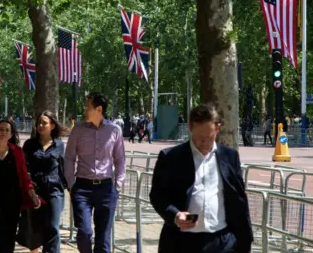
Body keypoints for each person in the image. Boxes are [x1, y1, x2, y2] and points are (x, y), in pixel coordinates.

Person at [149, 103, 253, 253]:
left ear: (217, 128)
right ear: (190, 128)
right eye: (198, 137)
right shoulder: (170, 157)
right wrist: (175, 215)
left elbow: (239, 199)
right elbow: (157, 196)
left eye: (208, 137)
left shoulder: (230, 157)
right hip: (183, 242)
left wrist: (243, 239)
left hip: (223, 241)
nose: (203, 142)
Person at [64, 92, 126, 253]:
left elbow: (120, 159)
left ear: (99, 109)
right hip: (82, 188)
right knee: (85, 232)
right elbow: (69, 157)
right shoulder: (78, 130)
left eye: (88, 107)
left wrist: (117, 185)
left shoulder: (114, 130)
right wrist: (71, 185)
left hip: (106, 189)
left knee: (103, 239)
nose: (84, 110)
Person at [0, 119, 41, 253]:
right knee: (0, 236)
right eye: (0, 129)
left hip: (12, 202)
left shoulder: (17, 152)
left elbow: (24, 175)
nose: (3, 132)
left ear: (11, 135)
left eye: (7, 130)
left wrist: (32, 193)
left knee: (8, 237)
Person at [20, 111, 66, 253]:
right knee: (34, 228)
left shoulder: (59, 145)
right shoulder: (29, 144)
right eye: (39, 122)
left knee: (53, 227)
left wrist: (69, 186)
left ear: (52, 125)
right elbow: (23, 168)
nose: (40, 125)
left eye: (44, 123)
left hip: (54, 190)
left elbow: (63, 168)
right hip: (34, 191)